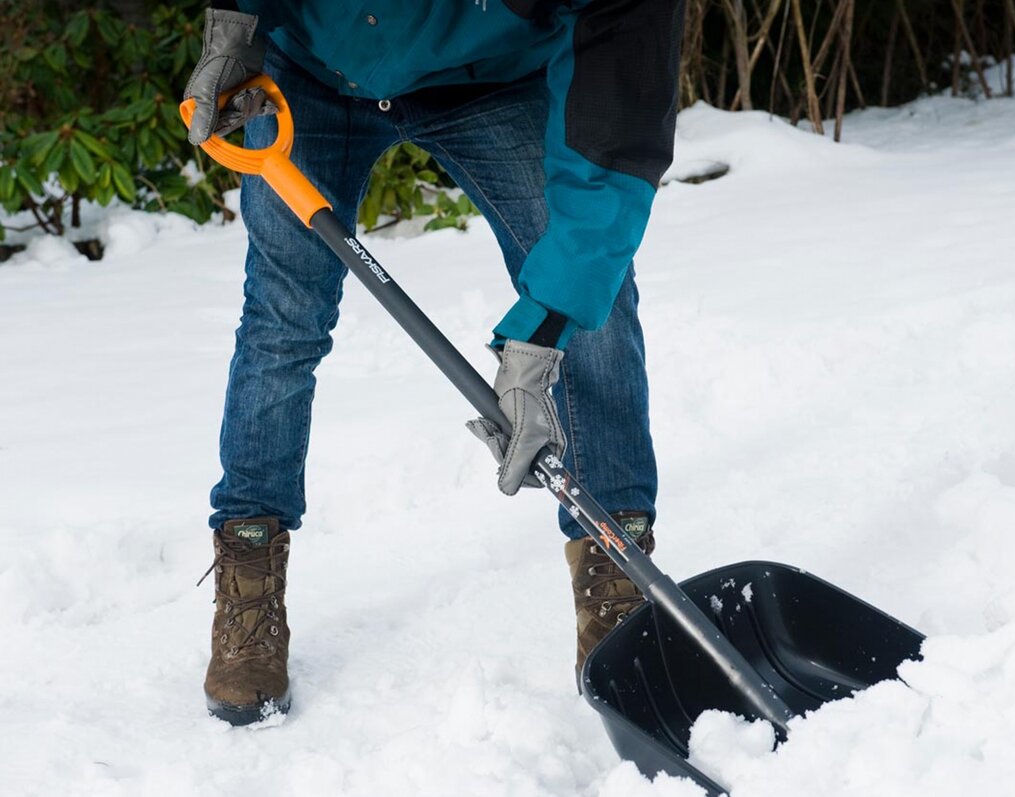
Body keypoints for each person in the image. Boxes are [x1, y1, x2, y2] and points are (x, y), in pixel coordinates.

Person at [184, 0, 685, 725]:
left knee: (593, 313)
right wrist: (238, 23)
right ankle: (249, 571)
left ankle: (618, 568)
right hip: (313, 71)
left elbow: (612, 141)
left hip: (490, 76)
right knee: (281, 320)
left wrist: (545, 327)